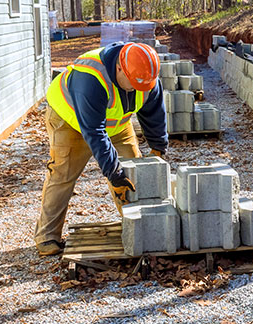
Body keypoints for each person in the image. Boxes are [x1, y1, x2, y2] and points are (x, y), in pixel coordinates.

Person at [34, 42, 168, 256]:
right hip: (70, 120)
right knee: (63, 174)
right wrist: (114, 173)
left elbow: (154, 114)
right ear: (119, 69)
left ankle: (137, 227)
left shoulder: (146, 77)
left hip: (116, 124)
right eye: (132, 84)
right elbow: (94, 132)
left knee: (134, 174)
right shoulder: (91, 77)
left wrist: (158, 149)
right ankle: (47, 237)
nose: (136, 89)